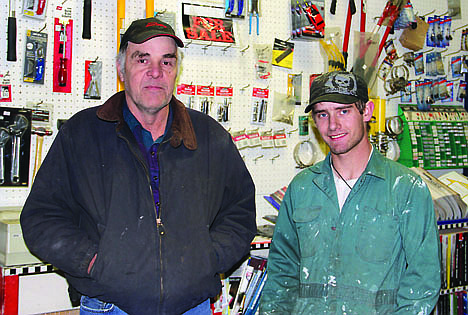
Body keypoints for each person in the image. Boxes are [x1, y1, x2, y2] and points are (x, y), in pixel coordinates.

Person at [20, 17, 256, 315]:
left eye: (166, 62)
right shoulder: (81, 135)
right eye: (142, 59)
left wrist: (208, 257)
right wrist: (94, 261)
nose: (155, 72)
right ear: (122, 68)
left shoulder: (210, 137)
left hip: (191, 306)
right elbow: (41, 218)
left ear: (176, 71)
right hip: (108, 306)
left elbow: (239, 212)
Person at [259, 71, 441, 314]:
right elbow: (281, 274)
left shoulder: (405, 188)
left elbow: (423, 281)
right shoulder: (301, 188)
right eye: (322, 114)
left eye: (343, 111)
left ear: (366, 111)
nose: (333, 125)